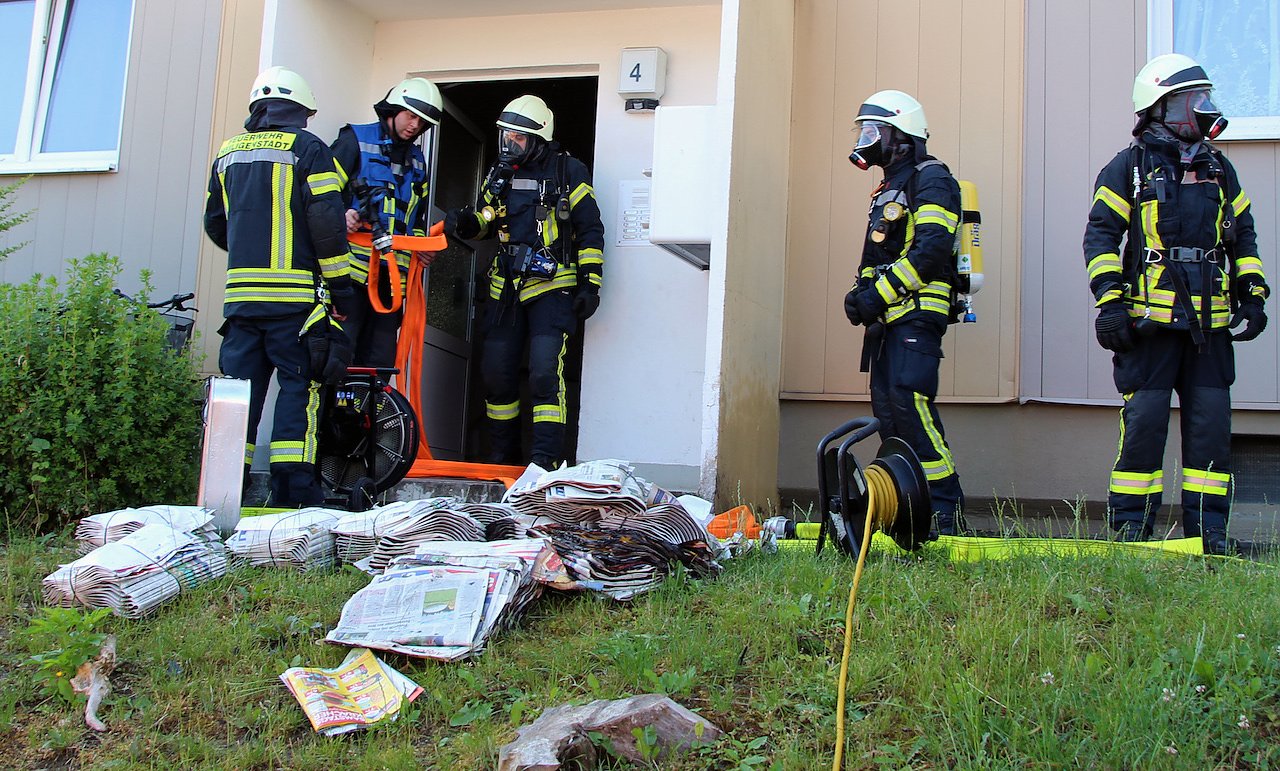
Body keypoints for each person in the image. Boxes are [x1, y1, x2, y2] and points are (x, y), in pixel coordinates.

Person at [1083, 53, 1268, 555]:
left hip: (1209, 331)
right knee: (1143, 430)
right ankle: (1131, 535)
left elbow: (1243, 238)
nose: (1205, 107)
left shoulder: (1219, 169)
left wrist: (1253, 293)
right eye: (1195, 99)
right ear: (1160, 107)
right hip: (1149, 328)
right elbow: (1100, 238)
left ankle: (1208, 539)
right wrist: (1111, 304)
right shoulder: (1128, 168)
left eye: (1206, 97)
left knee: (1210, 433)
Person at [204, 66, 354, 506]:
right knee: (299, 390)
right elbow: (327, 226)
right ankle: (293, 496)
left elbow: (216, 223)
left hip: (241, 303)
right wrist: (341, 288)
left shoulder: (228, 154)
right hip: (293, 303)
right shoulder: (308, 149)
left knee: (239, 399)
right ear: (300, 112)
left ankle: (223, 496)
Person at [445, 94, 605, 469]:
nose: (509, 144)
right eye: (506, 136)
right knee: (496, 374)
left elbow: (590, 229)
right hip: (505, 290)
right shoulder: (499, 173)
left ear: (538, 138)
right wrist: (467, 223)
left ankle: (544, 463)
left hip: (552, 288)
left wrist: (590, 284)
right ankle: (504, 460)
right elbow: (485, 220)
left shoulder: (568, 171)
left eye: (518, 137)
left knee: (545, 374)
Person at [842, 89, 966, 535]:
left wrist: (878, 296)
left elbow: (930, 250)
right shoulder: (888, 188)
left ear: (901, 136)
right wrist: (860, 294)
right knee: (890, 413)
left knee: (911, 406)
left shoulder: (931, 180)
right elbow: (879, 255)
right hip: (890, 320)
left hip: (916, 316)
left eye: (873, 131)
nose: (866, 140)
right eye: (863, 131)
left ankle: (946, 512)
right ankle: (910, 512)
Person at [330, 77, 443, 367]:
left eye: (422, 122)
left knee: (380, 362)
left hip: (392, 281)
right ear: (392, 110)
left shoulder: (418, 162)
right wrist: (341, 215)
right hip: (350, 277)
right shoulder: (354, 140)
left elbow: (414, 218)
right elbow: (319, 198)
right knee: (339, 357)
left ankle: (371, 400)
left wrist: (422, 247)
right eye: (411, 116)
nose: (415, 125)